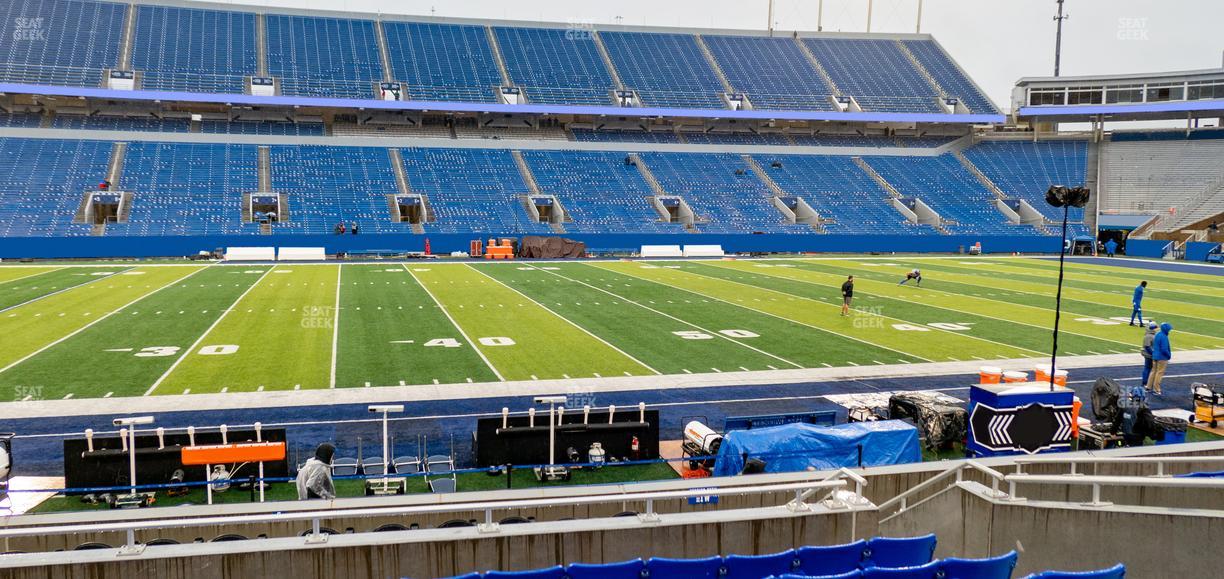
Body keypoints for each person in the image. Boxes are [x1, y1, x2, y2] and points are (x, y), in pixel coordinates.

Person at [1148, 322, 1173, 396]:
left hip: (1155, 356)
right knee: (1159, 373)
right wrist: (1169, 356)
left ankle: (1149, 387)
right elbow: (1164, 349)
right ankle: (1156, 389)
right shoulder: (1164, 337)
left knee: (1153, 371)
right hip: (1162, 357)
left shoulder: (1158, 334)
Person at [1140, 321, 1158, 390]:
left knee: (1148, 368)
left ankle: (1147, 382)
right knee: (1148, 368)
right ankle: (1145, 382)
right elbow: (1147, 346)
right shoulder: (1149, 336)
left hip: (1149, 354)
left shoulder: (1149, 334)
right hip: (1149, 354)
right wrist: (1153, 354)